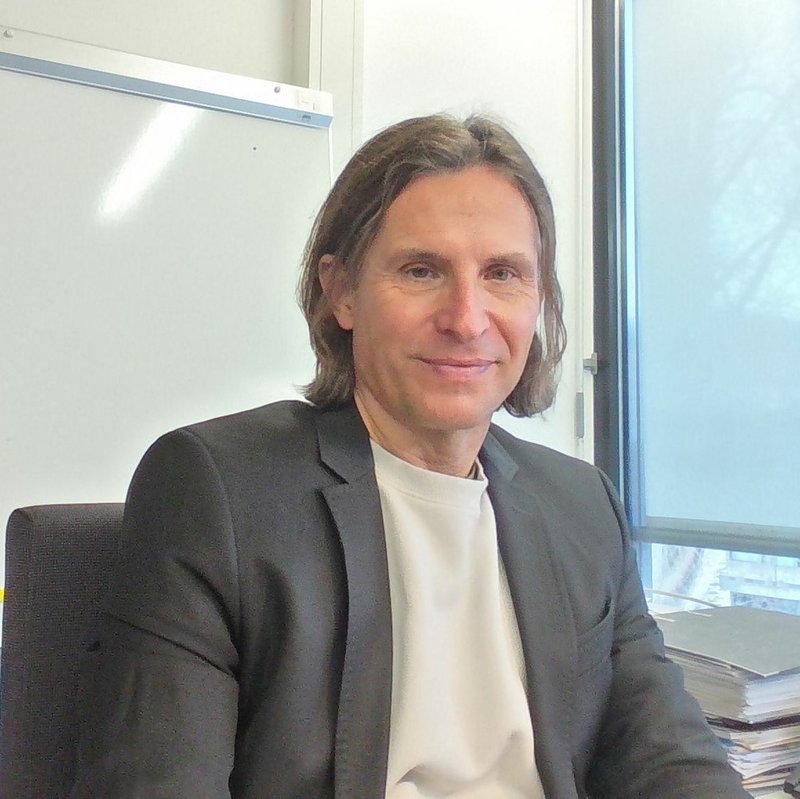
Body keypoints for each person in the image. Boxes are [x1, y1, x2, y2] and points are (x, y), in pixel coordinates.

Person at [70, 114, 748, 798]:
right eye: (422, 271)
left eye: (503, 273)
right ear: (342, 292)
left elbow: (670, 758)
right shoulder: (217, 490)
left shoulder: (582, 506)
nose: (467, 319)